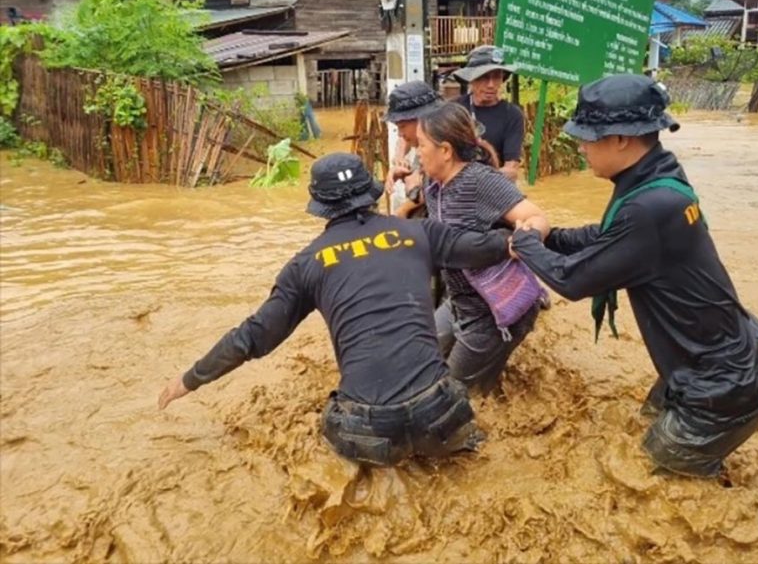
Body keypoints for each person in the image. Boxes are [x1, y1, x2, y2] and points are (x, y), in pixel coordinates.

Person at [158, 153, 516, 467]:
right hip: (441, 416)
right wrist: (534, 233)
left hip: (369, 433)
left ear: (319, 205)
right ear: (372, 192)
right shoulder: (418, 233)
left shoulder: (307, 265)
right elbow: (490, 246)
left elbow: (253, 336)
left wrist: (189, 379)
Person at [510, 74, 758, 478]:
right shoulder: (659, 178)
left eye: (588, 136)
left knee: (656, 482)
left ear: (621, 139)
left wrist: (524, 242)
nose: (580, 146)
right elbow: (609, 238)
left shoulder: (648, 208)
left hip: (721, 387)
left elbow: (573, 281)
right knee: (642, 432)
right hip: (722, 361)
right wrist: (553, 236)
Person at [416, 101, 549, 393]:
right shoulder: (434, 184)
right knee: (419, 358)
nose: (417, 152)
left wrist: (522, 241)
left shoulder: (480, 181)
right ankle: (491, 382)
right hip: (460, 304)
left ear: (446, 151)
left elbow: (537, 217)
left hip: (492, 313)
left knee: (451, 398)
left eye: (421, 145)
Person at [451, 45, 525, 182]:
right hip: (456, 184)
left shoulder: (512, 115)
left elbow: (511, 169)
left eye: (497, 77)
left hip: (494, 188)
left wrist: (480, 182)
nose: (491, 85)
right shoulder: (454, 110)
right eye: (484, 77)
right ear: (472, 79)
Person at [382, 81, 443, 218]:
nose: (400, 134)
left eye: (402, 127)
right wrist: (404, 168)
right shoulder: (430, 143)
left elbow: (442, 188)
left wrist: (404, 209)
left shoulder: (445, 149)